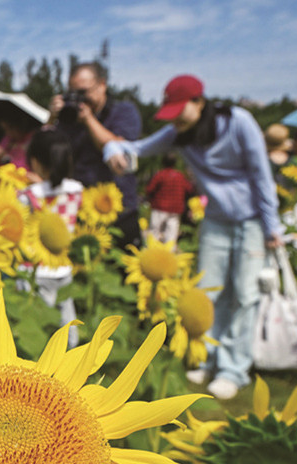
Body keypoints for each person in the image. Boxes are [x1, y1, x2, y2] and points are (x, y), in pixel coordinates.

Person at [103, 74, 284, 400]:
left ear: (199, 103)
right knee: (207, 293)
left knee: (244, 294)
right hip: (215, 220)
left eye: (179, 111)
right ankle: (206, 357)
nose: (175, 120)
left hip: (253, 222)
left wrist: (272, 227)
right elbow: (135, 149)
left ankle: (233, 369)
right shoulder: (178, 134)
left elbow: (262, 174)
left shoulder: (239, 123)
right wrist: (111, 152)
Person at [50, 62, 143, 248]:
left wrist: (88, 119)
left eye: (84, 92)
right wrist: (52, 118)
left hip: (119, 213)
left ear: (102, 85)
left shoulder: (123, 112)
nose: (79, 100)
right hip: (81, 212)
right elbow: (47, 152)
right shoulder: (69, 119)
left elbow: (119, 149)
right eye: (73, 93)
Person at [16, 127, 82, 348]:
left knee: (37, 329)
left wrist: (31, 185)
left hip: (35, 270)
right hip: (63, 267)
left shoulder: (29, 195)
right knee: (67, 325)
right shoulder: (76, 191)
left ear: (34, 162)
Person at [145, 152, 194, 246]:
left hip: (159, 208)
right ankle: (169, 253)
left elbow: (149, 189)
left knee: (154, 232)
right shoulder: (180, 176)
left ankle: (152, 251)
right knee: (171, 234)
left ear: (163, 162)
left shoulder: (160, 175)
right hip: (175, 209)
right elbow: (189, 189)